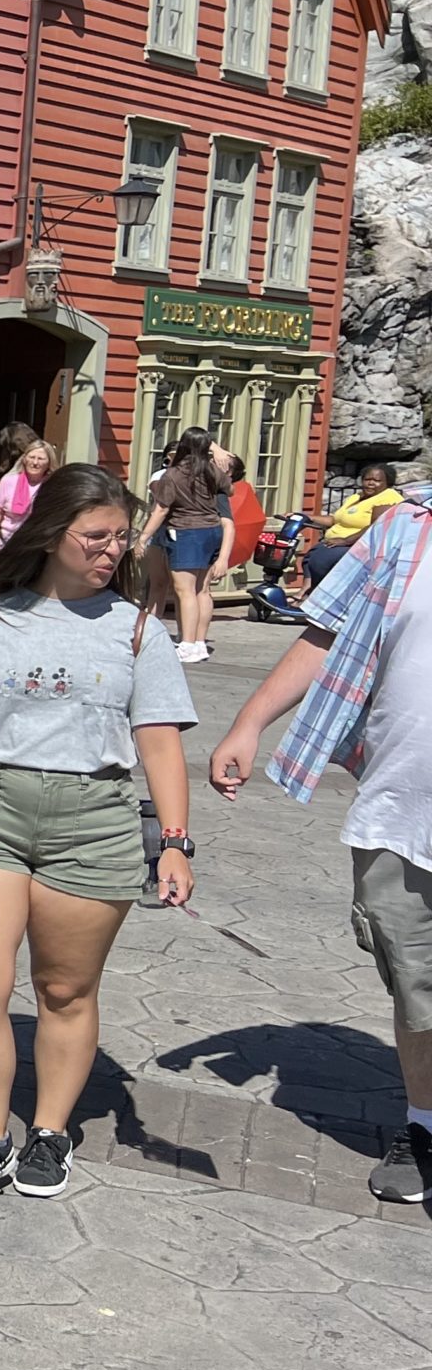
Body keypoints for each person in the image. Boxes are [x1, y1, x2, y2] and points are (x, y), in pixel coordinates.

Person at [0, 463, 197, 1211]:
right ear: (53, 534)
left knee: (63, 989)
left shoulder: (136, 630)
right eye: (96, 536)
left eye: (121, 537)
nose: (112, 550)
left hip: (93, 820)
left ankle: (51, 1132)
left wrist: (174, 840)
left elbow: (159, 740)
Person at [209, 469, 432, 1201]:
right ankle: (425, 1126)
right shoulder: (403, 531)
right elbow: (327, 631)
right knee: (417, 987)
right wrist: (250, 722)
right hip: (405, 810)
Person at [139, 427, 226, 662]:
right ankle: (199, 643)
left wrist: (143, 537)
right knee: (201, 589)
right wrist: (216, 450)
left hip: (186, 531)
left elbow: (161, 509)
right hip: (212, 530)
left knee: (184, 590)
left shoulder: (174, 474)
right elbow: (231, 486)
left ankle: (187, 644)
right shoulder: (212, 470)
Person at [301, 461, 405, 594]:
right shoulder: (357, 497)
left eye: (377, 481)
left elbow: (376, 527)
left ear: (387, 483)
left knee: (324, 558)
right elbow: (335, 520)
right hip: (338, 542)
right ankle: (306, 592)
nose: (370, 483)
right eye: (367, 479)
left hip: (363, 546)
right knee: (314, 554)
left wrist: (345, 541)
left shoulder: (388, 498)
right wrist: (308, 517)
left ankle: (319, 595)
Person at [0, 437, 57, 548]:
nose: (35, 462)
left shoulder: (54, 485)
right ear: (24, 459)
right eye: (32, 457)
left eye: (40, 459)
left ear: (49, 463)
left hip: (37, 546)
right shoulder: (8, 481)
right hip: (7, 545)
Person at [215, 447, 265, 578]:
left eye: (217, 461)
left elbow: (228, 525)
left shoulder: (221, 494)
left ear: (228, 472)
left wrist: (222, 559)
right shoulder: (236, 491)